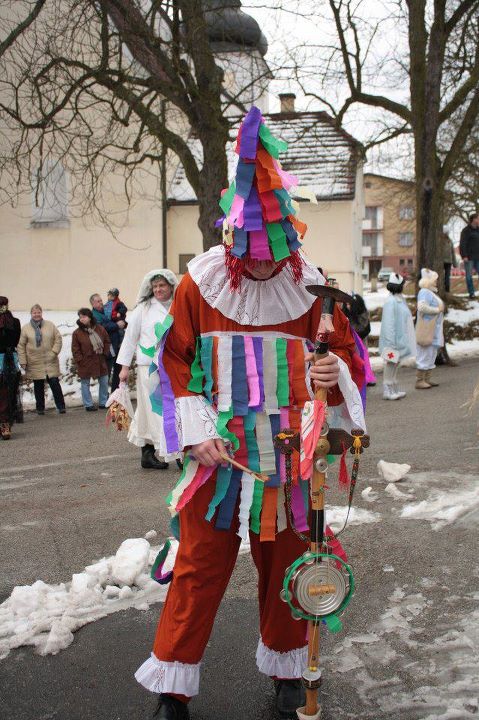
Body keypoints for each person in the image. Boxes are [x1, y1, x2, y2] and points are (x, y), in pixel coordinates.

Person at [134, 107, 365, 720]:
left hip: (291, 461)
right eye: (252, 251)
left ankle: (290, 671)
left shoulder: (313, 292)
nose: (263, 264)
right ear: (232, 240)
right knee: (198, 568)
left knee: (288, 567)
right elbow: (175, 361)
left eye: (275, 251)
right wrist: (198, 431)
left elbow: (346, 362)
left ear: (292, 238)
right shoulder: (198, 286)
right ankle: (173, 688)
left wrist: (331, 374)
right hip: (219, 459)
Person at [117, 270, 178, 470]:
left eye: (162, 285)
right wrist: (124, 368)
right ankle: (174, 452)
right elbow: (130, 338)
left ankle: (149, 453)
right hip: (149, 368)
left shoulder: (179, 305)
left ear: (170, 286)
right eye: (155, 286)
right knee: (157, 409)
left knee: (168, 408)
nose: (159, 289)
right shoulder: (143, 309)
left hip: (175, 364)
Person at [17, 304, 65, 415]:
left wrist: (54, 352)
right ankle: (40, 408)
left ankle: (61, 406)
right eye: (34, 312)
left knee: (54, 384)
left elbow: (58, 339)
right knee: (38, 386)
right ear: (31, 314)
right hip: (34, 362)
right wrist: (23, 361)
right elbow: (21, 346)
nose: (37, 314)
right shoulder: (26, 328)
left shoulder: (50, 325)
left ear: (41, 313)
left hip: (50, 360)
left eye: (38, 312)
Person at [378, 273, 416, 400]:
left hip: (399, 339)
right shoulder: (391, 302)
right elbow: (389, 324)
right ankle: (387, 389)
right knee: (390, 364)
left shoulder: (399, 300)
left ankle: (393, 387)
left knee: (395, 364)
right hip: (392, 341)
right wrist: (390, 344)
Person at [71, 308, 110, 411]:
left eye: (84, 316)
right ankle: (88, 404)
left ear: (89, 317)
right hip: (86, 361)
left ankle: (103, 402)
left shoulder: (100, 329)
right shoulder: (77, 333)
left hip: (100, 359)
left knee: (104, 381)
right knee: (85, 383)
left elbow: (107, 341)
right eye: (80, 317)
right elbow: (75, 349)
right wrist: (80, 360)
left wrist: (105, 353)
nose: (82, 319)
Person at [415, 268, 444, 389]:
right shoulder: (425, 292)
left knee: (431, 354)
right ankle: (420, 380)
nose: (436, 282)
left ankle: (427, 378)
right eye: (434, 280)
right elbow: (422, 307)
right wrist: (437, 310)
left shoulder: (430, 292)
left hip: (433, 329)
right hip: (427, 329)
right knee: (425, 353)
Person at [90, 293, 124, 392]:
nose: (101, 303)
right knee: (106, 372)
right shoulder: (93, 316)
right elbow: (101, 328)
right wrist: (117, 325)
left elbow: (117, 316)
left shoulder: (107, 311)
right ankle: (104, 397)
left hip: (116, 344)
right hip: (106, 347)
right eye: (98, 301)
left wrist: (122, 323)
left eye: (101, 300)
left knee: (118, 369)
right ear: (93, 304)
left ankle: (115, 393)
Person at [0, 296, 21, 440]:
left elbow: (15, 340)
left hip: (8, 360)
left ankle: (5, 424)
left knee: (7, 393)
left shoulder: (14, 322)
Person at [459, 213, 479, 298]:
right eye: (478, 218)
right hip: (469, 257)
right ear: (473, 219)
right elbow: (462, 243)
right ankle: (472, 293)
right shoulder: (466, 230)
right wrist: (464, 256)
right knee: (469, 276)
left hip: (478, 257)